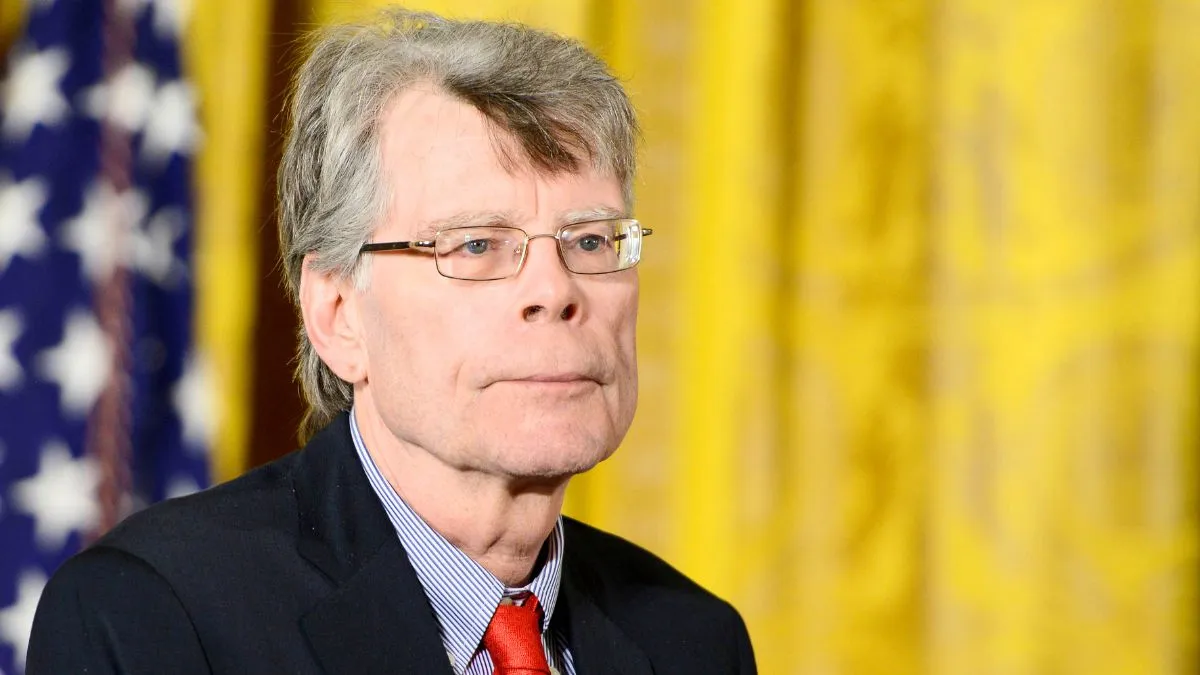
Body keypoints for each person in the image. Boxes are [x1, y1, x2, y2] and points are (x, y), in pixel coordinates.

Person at [27, 8, 757, 674]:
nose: (556, 289)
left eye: (591, 239)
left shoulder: (692, 639)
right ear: (339, 313)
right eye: (476, 244)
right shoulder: (155, 617)